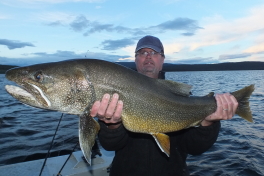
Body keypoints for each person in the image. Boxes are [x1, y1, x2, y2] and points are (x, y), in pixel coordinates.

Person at [90, 35, 238, 176]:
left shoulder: (182, 99)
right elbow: (110, 145)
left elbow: (194, 148)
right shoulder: (115, 95)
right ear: (135, 60)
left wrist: (208, 122)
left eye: (154, 52)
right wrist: (112, 126)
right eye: (143, 52)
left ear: (162, 60)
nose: (148, 56)